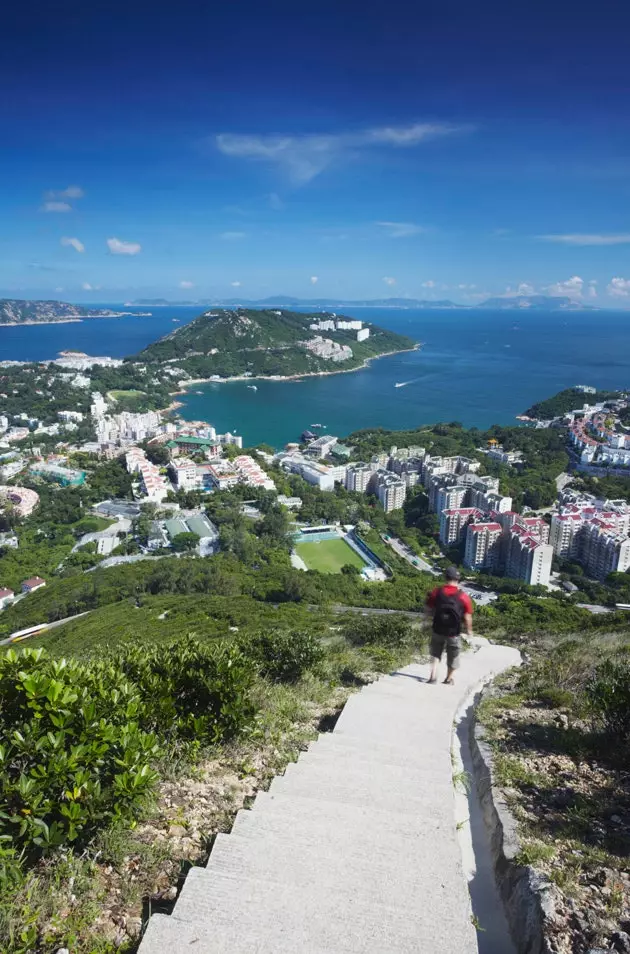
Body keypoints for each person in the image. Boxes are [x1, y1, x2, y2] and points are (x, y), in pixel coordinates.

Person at [424, 566, 473, 685]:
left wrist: (426, 621)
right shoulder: (463, 596)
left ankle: (433, 677)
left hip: (438, 629)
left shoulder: (437, 592)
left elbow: (428, 608)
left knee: (435, 653)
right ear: (458, 580)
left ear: (446, 577)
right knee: (453, 656)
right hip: (453, 633)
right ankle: (448, 679)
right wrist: (469, 631)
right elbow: (467, 616)